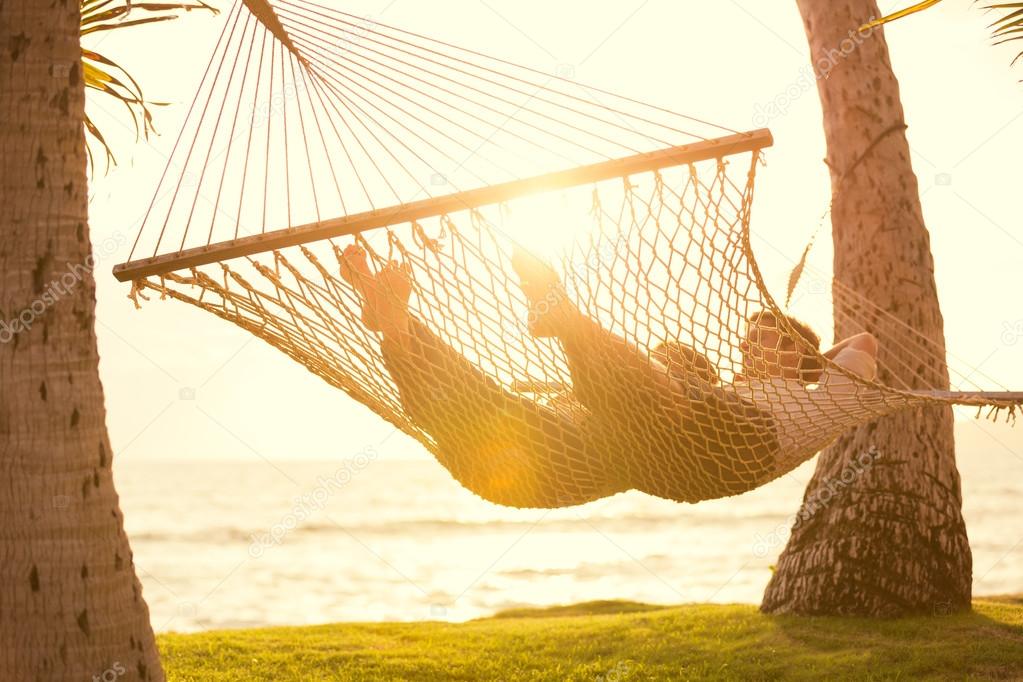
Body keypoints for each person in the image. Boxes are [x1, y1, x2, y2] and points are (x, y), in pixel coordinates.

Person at [339, 243, 877, 508]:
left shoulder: (822, 399)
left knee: (671, 384)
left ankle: (566, 320)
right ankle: (398, 326)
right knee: (477, 409)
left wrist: (811, 363)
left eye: (762, 336)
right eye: (747, 336)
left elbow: (863, 345)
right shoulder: (723, 387)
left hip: (744, 445)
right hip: (615, 457)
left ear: (796, 354)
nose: (744, 343)